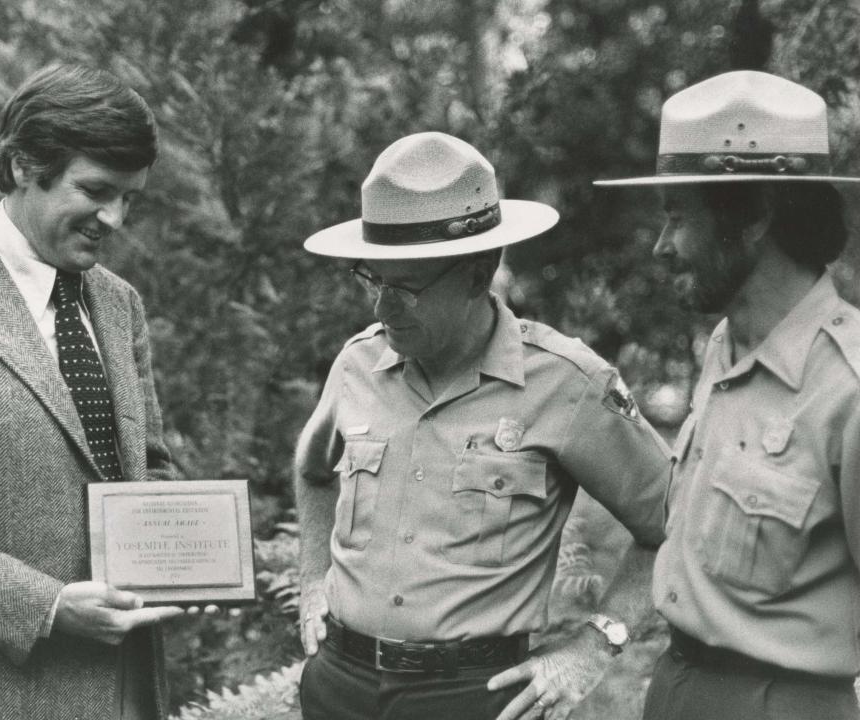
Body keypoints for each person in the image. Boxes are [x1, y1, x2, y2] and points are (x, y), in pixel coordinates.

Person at [295, 131, 672, 720]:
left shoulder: (566, 384)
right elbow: (312, 471)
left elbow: (673, 524)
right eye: (371, 279)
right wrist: (311, 580)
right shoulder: (357, 363)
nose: (381, 308)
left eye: (405, 287)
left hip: (475, 699)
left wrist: (597, 644)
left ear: (477, 273)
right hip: (338, 687)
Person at [0, 64, 192, 720]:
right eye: (96, 190)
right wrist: (49, 608)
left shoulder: (119, 305)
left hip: (126, 691)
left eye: (130, 198)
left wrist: (193, 556)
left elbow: (149, 469)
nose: (115, 218)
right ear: (25, 167)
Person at [596, 70, 860, 720]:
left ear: (754, 217)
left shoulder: (847, 389)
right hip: (677, 685)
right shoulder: (725, 345)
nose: (661, 247)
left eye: (678, 218)